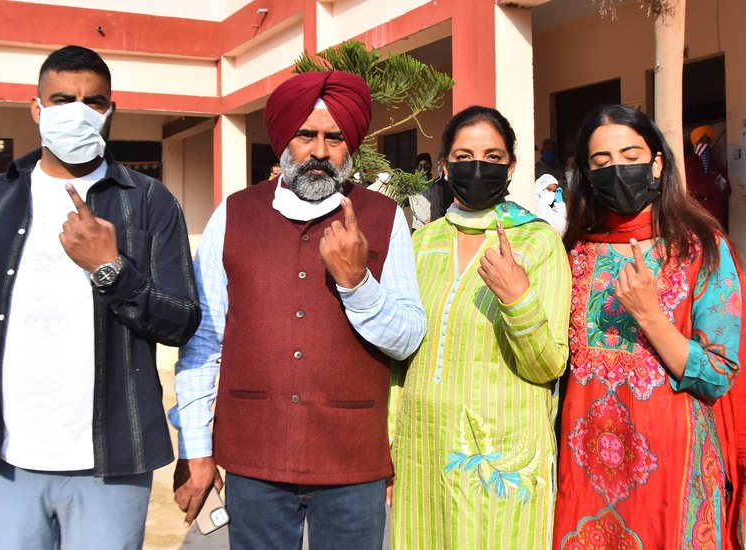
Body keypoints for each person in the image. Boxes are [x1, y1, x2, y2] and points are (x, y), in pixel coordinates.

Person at [0, 45, 201, 549]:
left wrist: (109, 268)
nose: (78, 112)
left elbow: (180, 322)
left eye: (94, 101)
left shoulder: (150, 202)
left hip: (111, 460)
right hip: (2, 457)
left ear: (110, 111)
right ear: (37, 109)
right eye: (63, 99)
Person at [170, 70, 426, 549]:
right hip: (254, 456)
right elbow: (203, 338)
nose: (320, 152)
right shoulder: (233, 213)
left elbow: (408, 335)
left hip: (352, 460)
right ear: (283, 140)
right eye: (306, 135)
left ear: (351, 147)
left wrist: (357, 284)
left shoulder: (384, 217)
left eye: (335, 138)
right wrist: (198, 447)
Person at [553, 105, 742, 548]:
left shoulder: (703, 250)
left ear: (657, 163)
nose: (617, 170)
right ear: (587, 174)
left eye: (631, 154)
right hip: (583, 476)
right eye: (601, 163)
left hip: (673, 476)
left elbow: (717, 375)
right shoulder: (573, 252)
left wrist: (650, 316)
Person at [390, 105, 571, 549]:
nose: (478, 166)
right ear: (445, 166)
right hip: (422, 449)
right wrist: (388, 443)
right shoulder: (421, 242)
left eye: (493, 158)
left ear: (511, 167)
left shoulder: (538, 242)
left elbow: (549, 365)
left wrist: (517, 299)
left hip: (499, 455)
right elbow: (398, 358)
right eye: (465, 155)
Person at [684, 124, 731, 230]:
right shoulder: (688, 163)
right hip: (696, 215)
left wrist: (708, 196)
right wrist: (716, 187)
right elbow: (692, 189)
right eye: (701, 140)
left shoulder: (716, 165)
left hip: (715, 216)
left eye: (707, 140)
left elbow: (727, 190)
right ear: (695, 142)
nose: (705, 143)